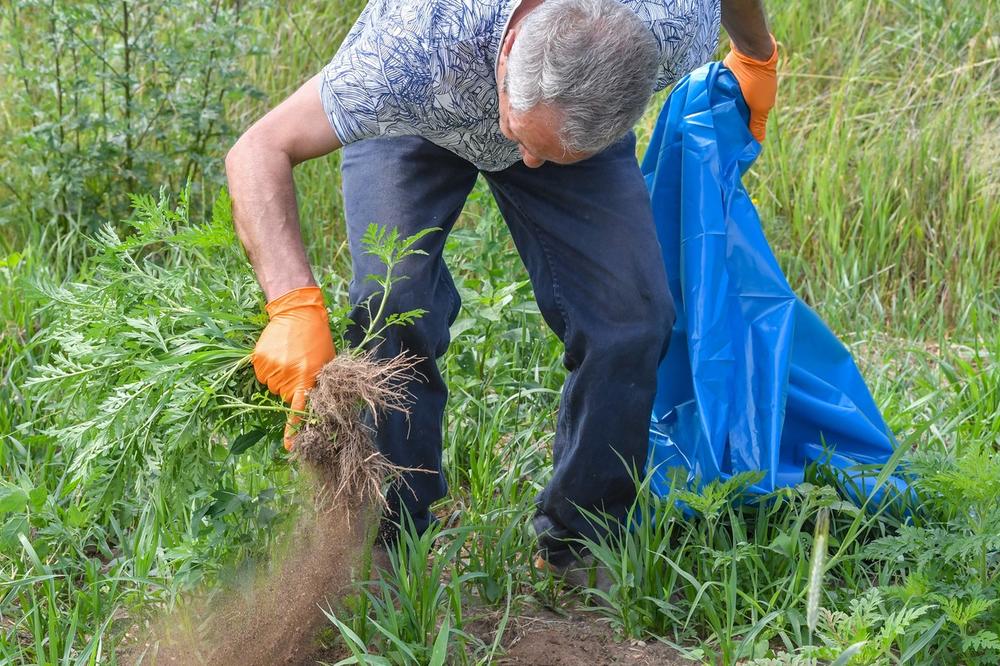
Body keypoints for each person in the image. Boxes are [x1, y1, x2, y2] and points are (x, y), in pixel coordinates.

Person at [226, 0, 777, 571]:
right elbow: (258, 149)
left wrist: (757, 57)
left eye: (546, 153)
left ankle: (581, 539)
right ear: (510, 47)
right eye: (521, 137)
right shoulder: (410, 49)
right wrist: (291, 303)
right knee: (394, 302)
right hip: (425, 111)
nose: (527, 162)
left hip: (565, 108)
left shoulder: (672, 22)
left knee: (631, 320)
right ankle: (389, 539)